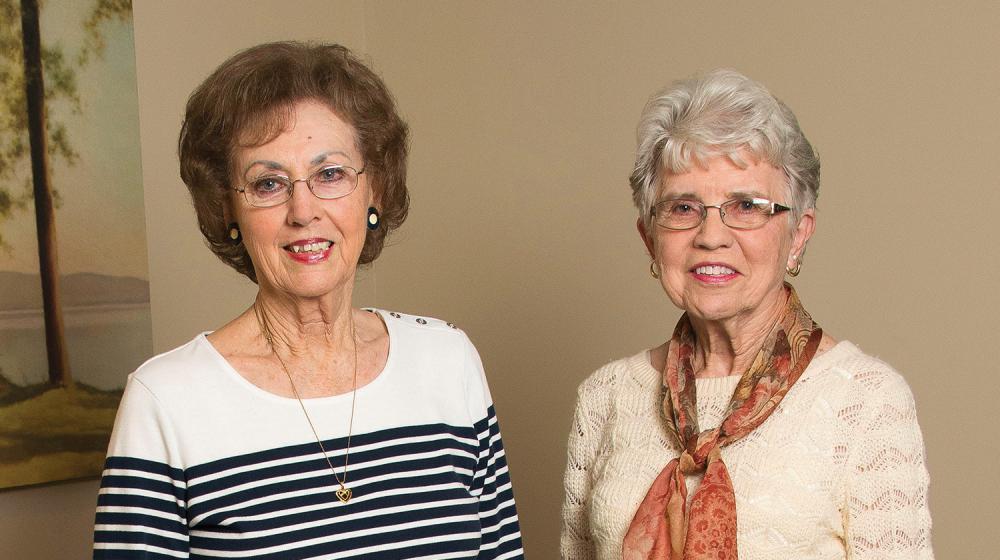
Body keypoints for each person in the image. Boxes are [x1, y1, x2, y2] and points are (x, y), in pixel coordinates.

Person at [93, 42, 523, 560]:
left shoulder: (448, 362)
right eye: (268, 183)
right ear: (227, 207)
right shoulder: (165, 402)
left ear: (376, 190)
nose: (304, 210)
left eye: (331, 174)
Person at [560, 70, 932, 559]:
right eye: (684, 207)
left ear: (798, 234)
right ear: (649, 237)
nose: (711, 235)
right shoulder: (605, 398)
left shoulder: (864, 403)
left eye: (746, 205)